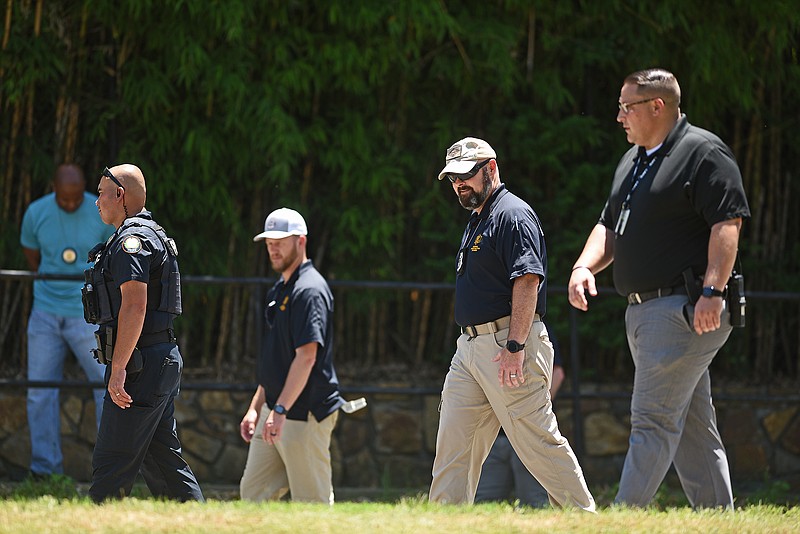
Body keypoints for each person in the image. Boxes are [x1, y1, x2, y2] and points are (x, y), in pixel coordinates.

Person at [568, 68, 750, 509]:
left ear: (658, 106)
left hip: (682, 309)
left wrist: (712, 292)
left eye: (626, 107)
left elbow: (728, 222)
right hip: (644, 313)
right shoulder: (633, 160)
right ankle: (718, 520)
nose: (619, 117)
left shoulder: (701, 152)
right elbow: (609, 225)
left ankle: (624, 518)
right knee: (690, 424)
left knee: (652, 423)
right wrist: (583, 266)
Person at [429, 137, 595, 512]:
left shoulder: (512, 214)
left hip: (507, 345)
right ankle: (443, 522)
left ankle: (584, 518)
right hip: (470, 350)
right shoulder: (479, 218)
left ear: (490, 169)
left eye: (466, 176)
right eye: (453, 179)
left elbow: (527, 280)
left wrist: (515, 347)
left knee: (537, 442)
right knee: (453, 446)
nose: (459, 185)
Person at [82, 164, 204, 503]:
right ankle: (197, 520)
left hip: (139, 366)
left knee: (111, 464)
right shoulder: (152, 233)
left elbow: (134, 306)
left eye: (102, 193)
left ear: (119, 195)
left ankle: (97, 520)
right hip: (157, 360)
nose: (97, 202)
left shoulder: (131, 241)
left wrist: (118, 368)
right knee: (163, 463)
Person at [239, 207, 344, 504]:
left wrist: (281, 410)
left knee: (312, 504)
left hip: (303, 414)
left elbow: (307, 357)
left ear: (301, 241)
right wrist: (256, 408)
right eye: (269, 242)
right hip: (275, 410)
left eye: (280, 241)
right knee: (253, 495)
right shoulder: (280, 288)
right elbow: (276, 359)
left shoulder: (310, 291)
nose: (272, 248)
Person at [20, 163, 114, 479]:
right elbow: (31, 253)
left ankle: (110, 466)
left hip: (87, 315)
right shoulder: (36, 212)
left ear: (85, 190)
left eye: (77, 199)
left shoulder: (100, 209)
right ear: (54, 189)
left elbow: (110, 256)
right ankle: (45, 469)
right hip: (45, 311)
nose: (72, 205)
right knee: (39, 391)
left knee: (106, 384)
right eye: (65, 200)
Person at [475, 327, 565, 507]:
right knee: (483, 505)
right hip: (492, 437)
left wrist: (535, 409)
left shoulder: (533, 325)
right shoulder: (476, 331)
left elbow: (557, 373)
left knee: (535, 504)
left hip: (526, 433)